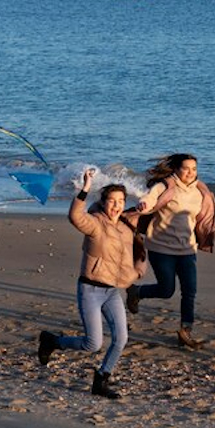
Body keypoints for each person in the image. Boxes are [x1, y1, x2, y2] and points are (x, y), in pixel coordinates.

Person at [37, 169, 145, 400]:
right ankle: (53, 341)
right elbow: (75, 217)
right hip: (90, 289)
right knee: (92, 343)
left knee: (121, 339)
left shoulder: (126, 228)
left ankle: (102, 378)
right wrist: (85, 188)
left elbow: (138, 246)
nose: (116, 206)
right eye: (112, 201)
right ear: (103, 203)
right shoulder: (95, 223)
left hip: (112, 292)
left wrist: (136, 272)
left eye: (121, 202)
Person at [126, 153, 215, 349]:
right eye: (186, 168)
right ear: (176, 169)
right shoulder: (165, 187)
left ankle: (185, 331)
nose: (190, 173)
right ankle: (136, 291)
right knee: (166, 290)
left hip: (187, 249)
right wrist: (144, 204)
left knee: (189, 291)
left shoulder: (200, 192)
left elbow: (206, 220)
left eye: (194, 169)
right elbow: (150, 199)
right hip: (161, 247)